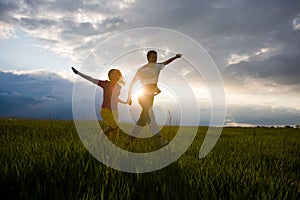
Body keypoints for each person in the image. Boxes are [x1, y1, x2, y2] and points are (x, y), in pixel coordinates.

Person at [127, 50, 182, 147]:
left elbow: (166, 62)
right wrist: (129, 96)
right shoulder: (142, 69)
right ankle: (159, 141)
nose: (155, 59)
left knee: (142, 120)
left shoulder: (158, 66)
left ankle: (129, 140)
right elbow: (132, 83)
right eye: (153, 57)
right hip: (143, 96)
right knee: (151, 117)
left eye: (156, 57)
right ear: (148, 58)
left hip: (150, 96)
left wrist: (175, 57)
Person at [71, 67, 127, 142]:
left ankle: (112, 145)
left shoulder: (119, 87)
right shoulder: (105, 84)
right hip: (106, 110)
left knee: (115, 132)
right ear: (109, 76)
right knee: (116, 124)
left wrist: (124, 102)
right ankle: (103, 134)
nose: (114, 75)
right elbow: (91, 79)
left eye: (116, 74)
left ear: (119, 76)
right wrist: (78, 73)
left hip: (115, 110)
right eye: (112, 73)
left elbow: (115, 98)